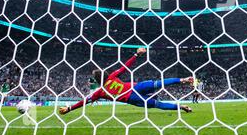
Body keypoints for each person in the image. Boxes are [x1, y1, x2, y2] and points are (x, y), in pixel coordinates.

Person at [59, 48, 193, 115]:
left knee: (158, 104)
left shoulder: (99, 92)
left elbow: (85, 101)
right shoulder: (112, 76)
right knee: (158, 83)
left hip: (132, 98)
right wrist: (136, 54)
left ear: (98, 80)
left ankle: (182, 107)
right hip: (135, 87)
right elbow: (125, 66)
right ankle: (183, 79)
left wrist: (69, 108)